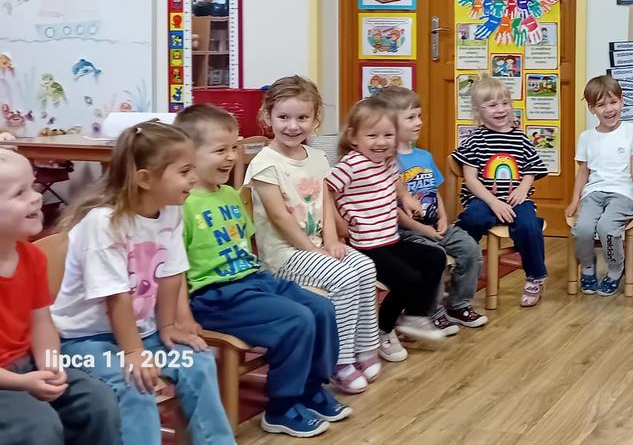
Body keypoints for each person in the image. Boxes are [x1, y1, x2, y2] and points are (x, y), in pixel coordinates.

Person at [51, 122, 235, 445]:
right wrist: (134, 352)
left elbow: (171, 273)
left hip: (141, 333)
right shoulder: (104, 223)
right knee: (135, 380)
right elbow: (116, 296)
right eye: (185, 171)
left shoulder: (171, 212)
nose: (194, 178)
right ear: (145, 179)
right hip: (83, 343)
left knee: (198, 361)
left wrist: (167, 326)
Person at [174, 104, 348, 437]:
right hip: (214, 296)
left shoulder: (229, 194)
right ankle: (280, 407)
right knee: (297, 320)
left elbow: (246, 244)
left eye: (234, 147)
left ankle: (310, 388)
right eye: (220, 150)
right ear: (189, 153)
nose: (231, 157)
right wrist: (181, 316)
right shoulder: (181, 205)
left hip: (253, 280)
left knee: (321, 308)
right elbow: (173, 269)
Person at [245, 76, 381, 395]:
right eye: (284, 117)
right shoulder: (265, 163)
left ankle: (365, 346)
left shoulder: (317, 157)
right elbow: (279, 217)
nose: (293, 126)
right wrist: (312, 249)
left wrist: (331, 240)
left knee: (365, 267)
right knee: (344, 278)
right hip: (285, 257)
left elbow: (324, 203)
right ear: (268, 116)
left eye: (302, 118)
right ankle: (339, 361)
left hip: (315, 248)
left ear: (315, 118)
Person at [0, 148, 120, 445]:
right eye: (19, 193)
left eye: (33, 186)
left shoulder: (31, 257)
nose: (36, 197)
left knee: (97, 401)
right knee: (38, 425)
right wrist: (22, 382)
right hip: (8, 380)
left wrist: (50, 364)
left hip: (27, 366)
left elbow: (42, 322)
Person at [326, 98, 450, 354]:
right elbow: (326, 190)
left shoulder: (386, 160)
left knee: (435, 257)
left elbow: (395, 180)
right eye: (372, 135)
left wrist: (406, 197)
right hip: (364, 245)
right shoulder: (351, 164)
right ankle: (383, 329)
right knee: (408, 279)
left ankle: (414, 316)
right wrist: (337, 222)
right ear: (354, 137)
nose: (381, 142)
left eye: (388, 135)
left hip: (389, 239)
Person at [374, 86, 486, 330]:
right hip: (406, 232)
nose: (419, 122)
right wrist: (422, 230)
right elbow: (392, 208)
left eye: (419, 116)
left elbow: (434, 191)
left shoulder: (424, 156)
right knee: (433, 257)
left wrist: (444, 218)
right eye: (411, 117)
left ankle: (458, 304)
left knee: (470, 248)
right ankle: (429, 312)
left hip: (436, 225)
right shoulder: (384, 161)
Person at [452, 76, 549, 307]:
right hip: (483, 199)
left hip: (516, 200)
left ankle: (535, 276)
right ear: (478, 111)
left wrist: (523, 189)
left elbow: (532, 169)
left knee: (529, 225)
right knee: (474, 218)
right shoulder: (475, 140)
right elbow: (470, 179)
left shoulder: (521, 139)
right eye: (492, 105)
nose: (501, 109)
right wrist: (493, 202)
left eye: (505, 103)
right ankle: (460, 262)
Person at [566, 76, 633, 296]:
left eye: (613, 102)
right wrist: (574, 200)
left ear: (622, 101)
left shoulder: (631, 131)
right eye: (601, 105)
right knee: (582, 229)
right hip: (593, 193)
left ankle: (614, 269)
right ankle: (588, 267)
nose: (609, 109)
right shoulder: (587, 137)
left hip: (623, 194)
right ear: (591, 108)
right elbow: (583, 172)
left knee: (607, 229)